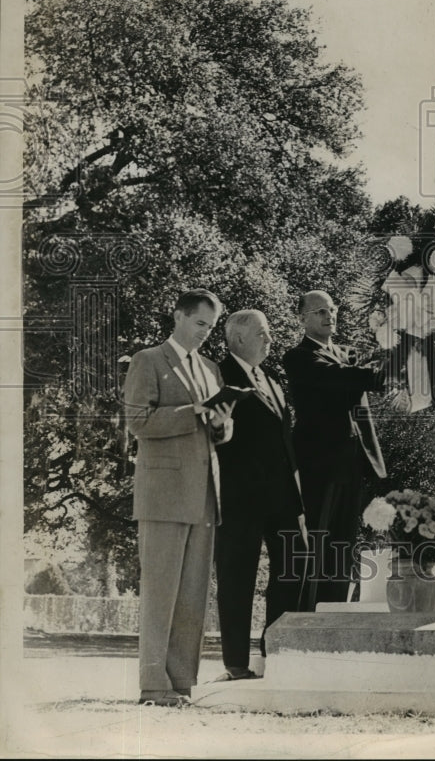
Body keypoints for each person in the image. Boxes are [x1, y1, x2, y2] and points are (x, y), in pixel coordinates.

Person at [123, 288, 234, 706]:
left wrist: (222, 424)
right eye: (199, 323)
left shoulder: (210, 369)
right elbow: (137, 421)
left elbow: (220, 433)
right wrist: (196, 412)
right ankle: (153, 685)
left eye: (211, 326)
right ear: (178, 317)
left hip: (204, 495)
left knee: (191, 595)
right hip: (163, 495)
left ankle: (181, 684)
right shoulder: (147, 360)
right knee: (160, 592)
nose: (205, 333)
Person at [213, 309, 307, 680]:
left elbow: (284, 444)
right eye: (262, 333)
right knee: (237, 578)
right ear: (237, 338)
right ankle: (236, 663)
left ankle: (275, 654)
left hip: (282, 499)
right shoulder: (217, 375)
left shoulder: (272, 381)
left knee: (292, 571)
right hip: (238, 499)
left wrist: (297, 501)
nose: (270, 338)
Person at [282, 290, 387, 609]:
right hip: (318, 465)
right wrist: (386, 370)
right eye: (319, 312)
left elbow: (366, 387)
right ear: (302, 318)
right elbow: (338, 378)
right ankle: (305, 617)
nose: (329, 316)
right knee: (318, 543)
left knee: (343, 545)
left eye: (332, 310)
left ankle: (333, 611)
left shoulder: (348, 353)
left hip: (351, 464)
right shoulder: (298, 356)